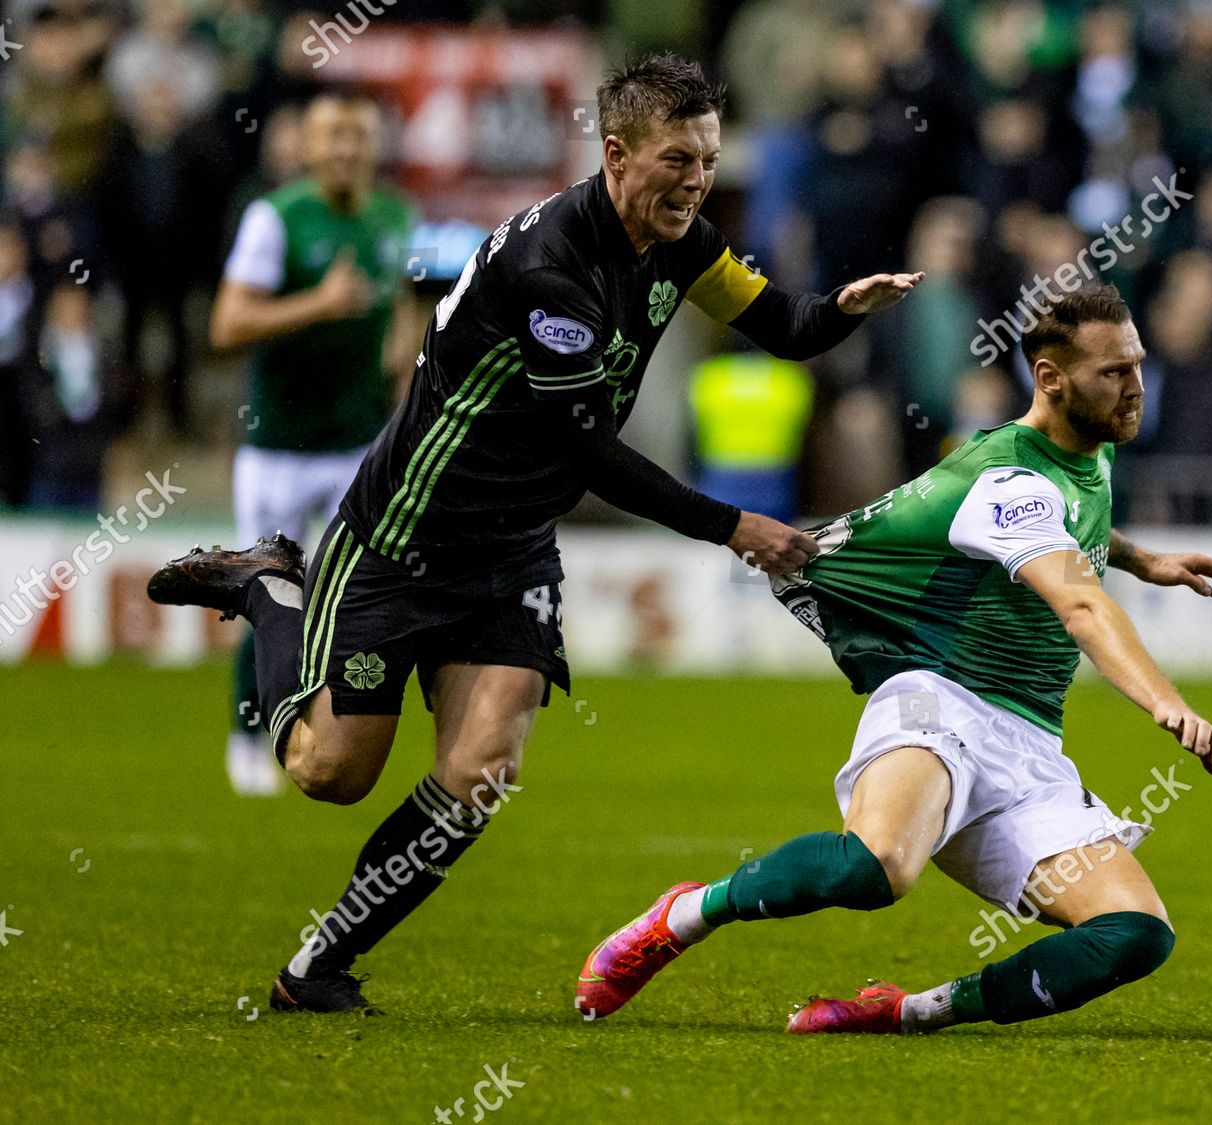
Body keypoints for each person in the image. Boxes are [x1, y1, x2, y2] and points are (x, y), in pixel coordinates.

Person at [146, 54, 922, 1014]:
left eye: (710, 160)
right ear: (616, 154)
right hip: (403, 534)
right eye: (678, 159)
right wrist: (733, 527)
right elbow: (586, 450)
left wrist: (841, 311)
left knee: (479, 776)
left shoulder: (682, 241)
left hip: (509, 552)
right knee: (328, 772)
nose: (697, 181)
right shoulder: (551, 266)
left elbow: (784, 323)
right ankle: (271, 588)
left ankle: (319, 968)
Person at [577, 284, 1212, 1035]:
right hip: (940, 700)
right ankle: (685, 914)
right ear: (1051, 379)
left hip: (1029, 744)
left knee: (1136, 934)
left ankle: (908, 1009)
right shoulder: (1009, 481)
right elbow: (1080, 603)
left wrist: (1142, 558)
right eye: (1113, 373)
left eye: (1137, 366)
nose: (1135, 388)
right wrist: (1164, 700)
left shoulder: (1088, 446)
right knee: (876, 869)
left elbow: (1077, 526)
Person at [208, 94, 418, 796]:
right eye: (333, 135)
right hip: (279, 446)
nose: (346, 148)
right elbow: (228, 323)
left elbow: (400, 306)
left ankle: (323, 729)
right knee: (266, 588)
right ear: (309, 144)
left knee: (349, 598)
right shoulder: (277, 217)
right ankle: (247, 729)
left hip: (358, 445)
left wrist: (404, 368)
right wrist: (318, 305)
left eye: (358, 135)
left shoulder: (396, 216)